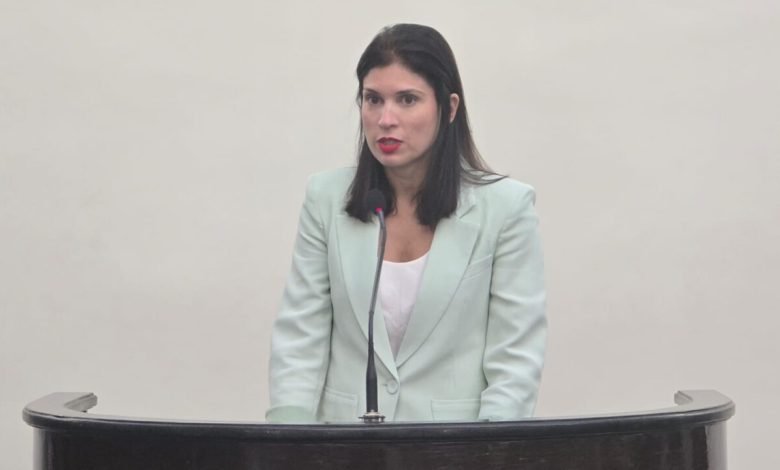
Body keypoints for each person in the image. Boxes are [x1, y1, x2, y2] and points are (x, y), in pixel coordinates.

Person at [266, 24, 546, 423]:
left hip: (456, 447)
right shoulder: (325, 198)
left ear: (449, 108)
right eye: (373, 100)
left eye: (407, 100)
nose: (386, 119)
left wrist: (489, 449)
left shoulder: (507, 208)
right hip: (342, 444)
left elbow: (515, 359)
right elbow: (300, 339)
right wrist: (288, 439)